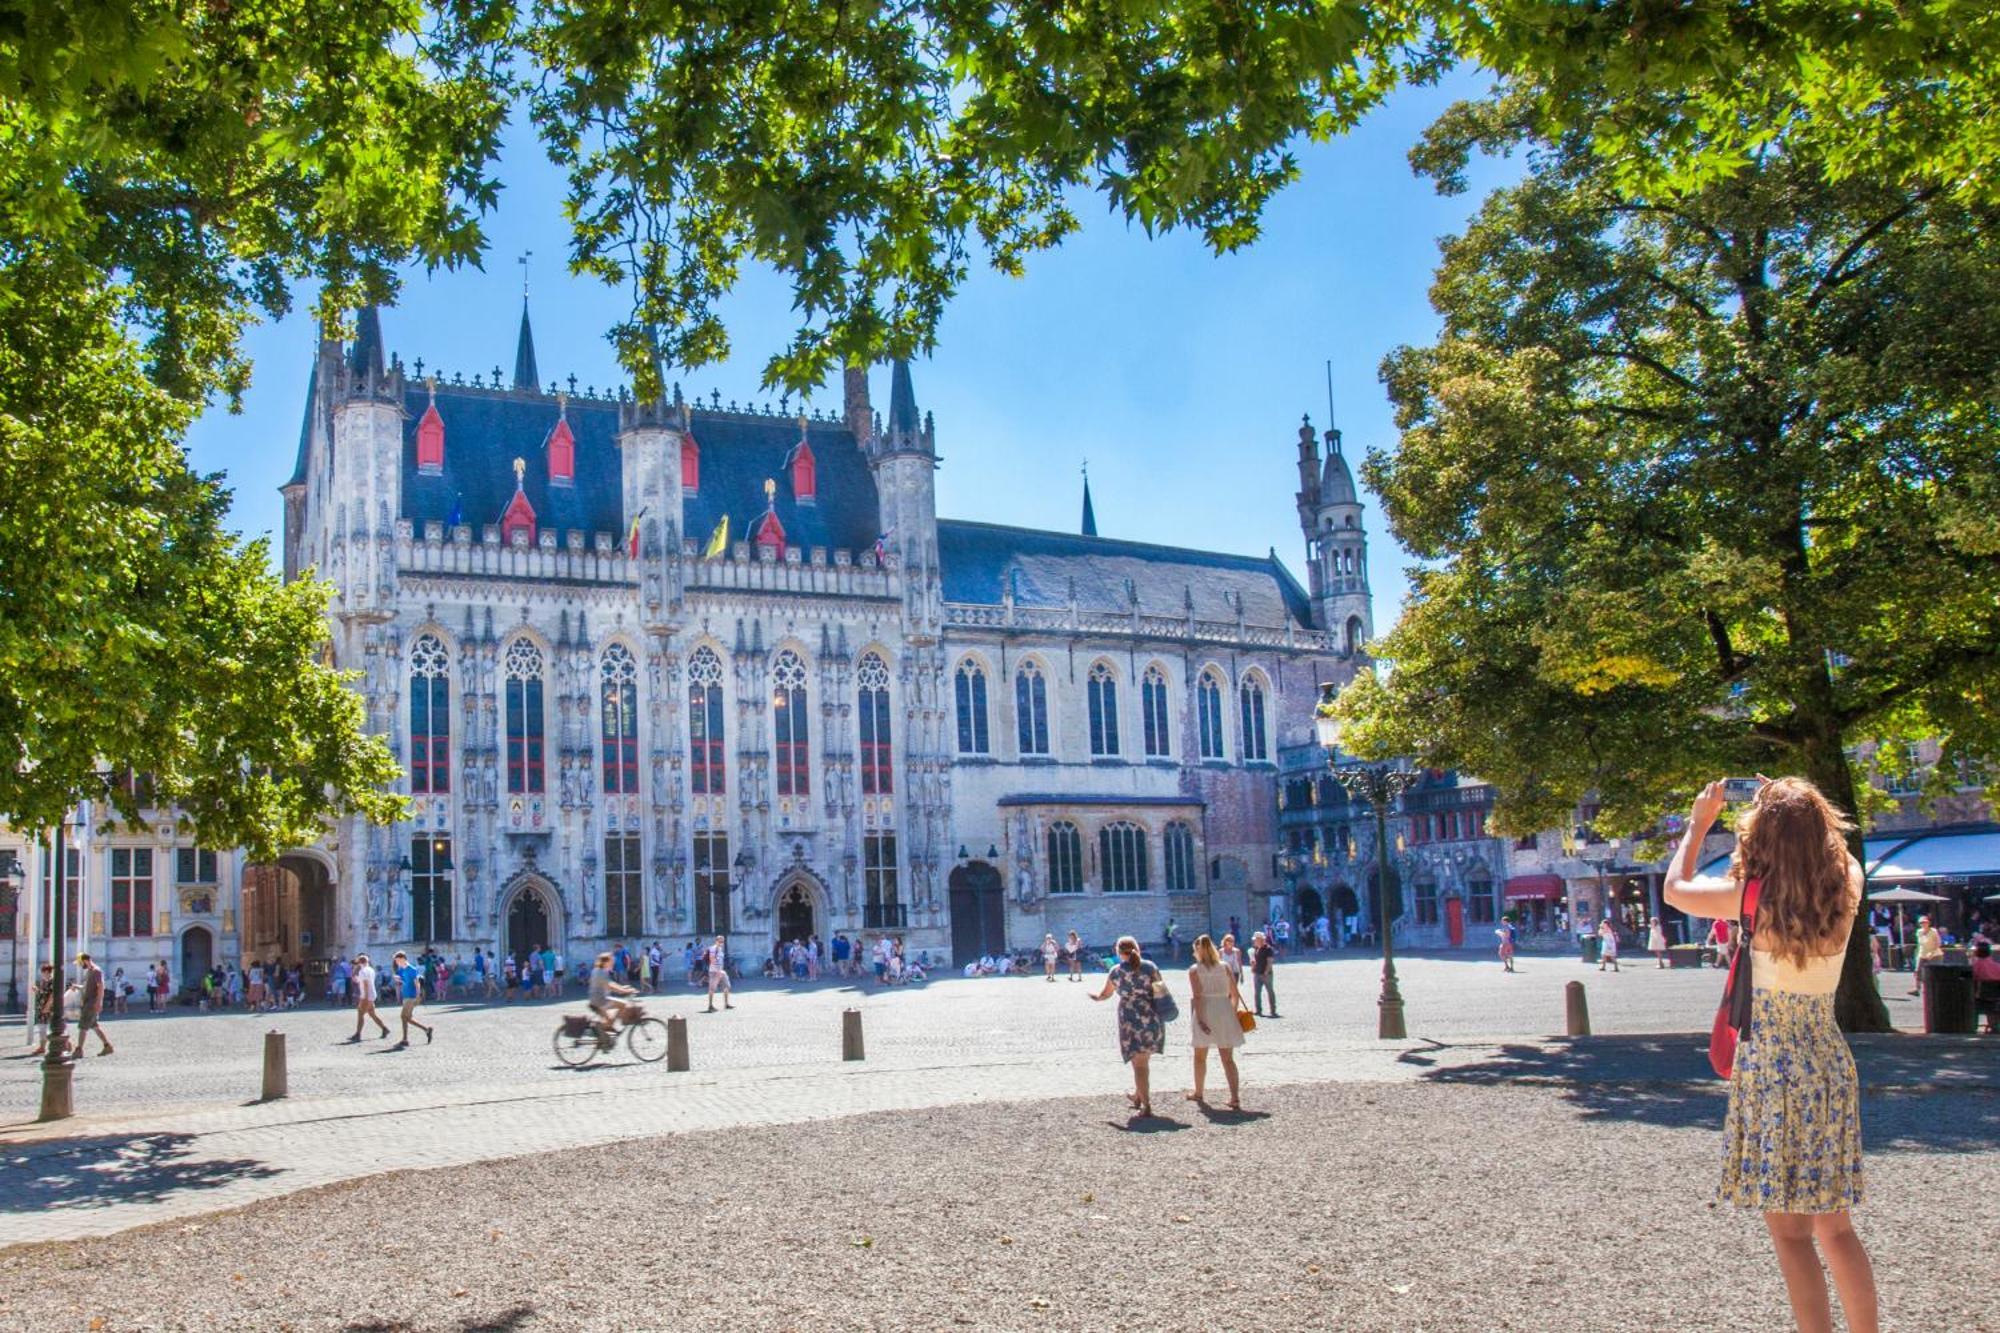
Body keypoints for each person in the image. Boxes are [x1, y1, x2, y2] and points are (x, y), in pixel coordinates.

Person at [1665, 777, 1876, 1333]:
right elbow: (1836, 850)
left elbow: (1675, 888)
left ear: (1761, 835)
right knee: (1837, 1228)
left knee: (1790, 1234)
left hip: (1772, 1069)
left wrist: (1699, 824)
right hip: (1828, 1061)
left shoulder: (1751, 896)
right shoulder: (1847, 883)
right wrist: (1791, 800)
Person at [1091, 935, 1166, 1117]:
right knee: (1142, 1061)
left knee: (1138, 1063)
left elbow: (1105, 994)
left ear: (1118, 952)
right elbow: (1161, 991)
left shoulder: (1116, 971)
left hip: (1129, 1018)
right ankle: (1138, 1095)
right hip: (1150, 1015)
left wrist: (1095, 997)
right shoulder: (1150, 967)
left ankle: (1146, 1105)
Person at [1186, 934, 1246, 1109]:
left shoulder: (1194, 970)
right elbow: (1235, 994)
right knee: (1228, 1059)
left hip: (1205, 1009)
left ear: (1197, 951)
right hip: (1224, 1009)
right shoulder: (1225, 967)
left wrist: (1200, 1019)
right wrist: (1232, 1013)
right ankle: (1234, 1097)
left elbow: (1197, 996)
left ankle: (1199, 1092)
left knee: (1199, 1057)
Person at [586, 951, 638, 1044]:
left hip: (598, 999)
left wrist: (622, 988)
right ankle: (595, 1030)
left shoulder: (598, 970)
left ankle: (604, 1034)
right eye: (611, 961)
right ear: (606, 962)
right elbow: (609, 986)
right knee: (623, 1004)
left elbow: (610, 983)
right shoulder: (601, 972)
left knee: (609, 1020)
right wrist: (625, 991)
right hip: (600, 1000)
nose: (613, 963)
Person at [391, 950, 434, 1048]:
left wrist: (418, 995)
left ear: (403, 959)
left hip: (411, 996)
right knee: (407, 1018)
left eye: (398, 960)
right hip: (406, 995)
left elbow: (417, 983)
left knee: (403, 1017)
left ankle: (405, 1039)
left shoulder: (412, 969)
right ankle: (426, 1030)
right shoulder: (402, 969)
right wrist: (398, 979)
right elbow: (403, 980)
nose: (397, 962)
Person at [74, 953, 113, 1057]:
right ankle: (107, 1046)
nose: (80, 965)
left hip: (91, 1003)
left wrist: (99, 1002)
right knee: (94, 1026)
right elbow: (86, 987)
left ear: (86, 961)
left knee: (82, 1026)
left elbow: (101, 987)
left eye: (81, 963)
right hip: (88, 1002)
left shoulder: (96, 971)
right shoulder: (90, 971)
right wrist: (77, 987)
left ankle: (79, 1050)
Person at [349, 953, 389, 1041]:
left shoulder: (362, 971)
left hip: (367, 995)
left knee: (360, 1014)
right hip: (371, 994)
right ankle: (384, 1028)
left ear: (360, 962)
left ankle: (358, 1034)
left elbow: (366, 984)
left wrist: (365, 997)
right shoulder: (370, 969)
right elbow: (364, 981)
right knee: (372, 1014)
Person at [1969, 940, 2000, 1034]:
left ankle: (1972, 1026)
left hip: (1980, 997)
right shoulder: (1997, 966)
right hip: (1996, 997)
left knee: (1972, 1003)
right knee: (1992, 1006)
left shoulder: (1975, 966)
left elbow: (1966, 978)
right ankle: (1995, 1026)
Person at [1910, 915, 1943, 997]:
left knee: (1934, 972)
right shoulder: (1919, 932)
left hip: (1935, 955)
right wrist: (1917, 955)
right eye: (1921, 923)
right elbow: (1920, 945)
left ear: (1928, 923)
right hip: (1922, 954)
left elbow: (1938, 943)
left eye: (1925, 922)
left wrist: (1931, 953)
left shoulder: (1933, 931)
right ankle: (1917, 989)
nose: (1923, 924)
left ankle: (1935, 989)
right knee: (1917, 971)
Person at [28, 961, 56, 1056]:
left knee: (52, 1028)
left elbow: (52, 995)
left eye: (43, 972)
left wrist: (47, 1007)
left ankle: (67, 1045)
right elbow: (43, 993)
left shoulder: (52, 981)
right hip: (41, 1007)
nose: (42, 974)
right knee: (42, 1027)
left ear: (48, 972)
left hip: (48, 1008)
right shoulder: (43, 981)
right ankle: (42, 1047)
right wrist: (37, 990)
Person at [1250, 930, 1278, 1018]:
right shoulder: (1256, 949)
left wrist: (1266, 971)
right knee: (1257, 993)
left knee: (1270, 992)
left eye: (1256, 940)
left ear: (1261, 939)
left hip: (1266, 974)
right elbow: (1256, 961)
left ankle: (1273, 1010)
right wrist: (1253, 966)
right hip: (1257, 973)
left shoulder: (1268, 949)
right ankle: (1258, 1010)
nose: (1254, 941)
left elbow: (1270, 961)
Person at [705, 935, 733, 1011]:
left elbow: (720, 960)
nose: (721, 943)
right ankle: (710, 1005)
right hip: (714, 971)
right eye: (720, 941)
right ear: (716, 941)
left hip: (720, 971)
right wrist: (718, 971)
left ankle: (726, 1004)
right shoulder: (713, 948)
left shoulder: (720, 949)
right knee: (712, 989)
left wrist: (721, 970)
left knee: (727, 986)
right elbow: (712, 959)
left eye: (722, 941)